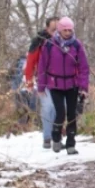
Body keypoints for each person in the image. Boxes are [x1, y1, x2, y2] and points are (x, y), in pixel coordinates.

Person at [37, 17, 90, 155]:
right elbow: (42, 67)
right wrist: (41, 86)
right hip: (55, 84)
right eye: (65, 30)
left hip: (73, 84)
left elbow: (84, 67)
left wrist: (84, 87)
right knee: (60, 112)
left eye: (69, 30)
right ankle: (56, 138)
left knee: (72, 113)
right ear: (59, 30)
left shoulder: (77, 45)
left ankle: (71, 143)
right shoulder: (49, 45)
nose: (67, 32)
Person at [24, 17, 59, 148]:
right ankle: (47, 137)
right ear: (47, 29)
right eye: (53, 30)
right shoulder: (38, 42)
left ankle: (56, 135)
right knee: (47, 107)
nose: (55, 33)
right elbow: (30, 63)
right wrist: (29, 82)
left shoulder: (65, 41)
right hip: (43, 80)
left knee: (58, 109)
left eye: (57, 29)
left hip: (61, 80)